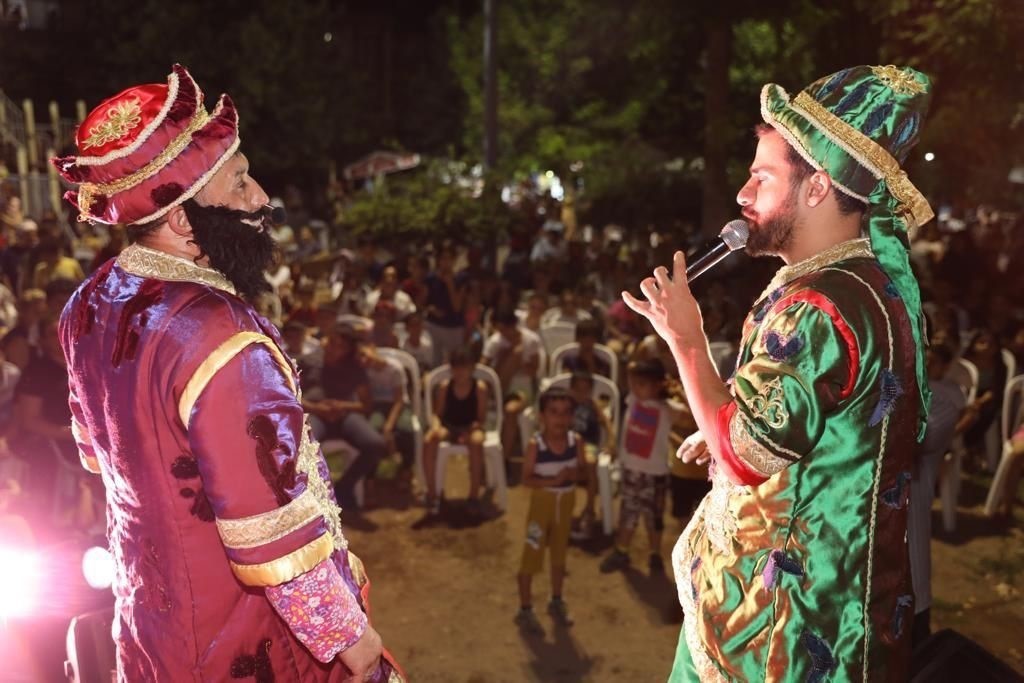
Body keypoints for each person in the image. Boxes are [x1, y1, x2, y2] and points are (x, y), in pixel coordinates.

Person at [53, 66, 399, 681]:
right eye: (239, 184)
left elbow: (98, 457)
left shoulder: (88, 305)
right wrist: (351, 639)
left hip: (148, 627)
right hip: (246, 641)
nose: (262, 197)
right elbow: (271, 528)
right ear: (183, 221)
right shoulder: (222, 340)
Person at [623, 66, 935, 680]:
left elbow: (745, 457)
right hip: (840, 611)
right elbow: (823, 427)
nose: (743, 194)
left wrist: (685, 340)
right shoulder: (872, 285)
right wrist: (724, 419)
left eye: (761, 176)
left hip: (777, 634)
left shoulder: (818, 305)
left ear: (817, 187)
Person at [515, 386, 584, 634]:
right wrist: (553, 481)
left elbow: (582, 471)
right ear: (542, 416)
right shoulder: (537, 445)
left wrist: (572, 475)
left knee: (559, 553)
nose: (560, 418)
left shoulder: (574, 441)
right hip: (541, 505)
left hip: (565, 504)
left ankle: (556, 599)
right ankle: (525, 608)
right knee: (532, 551)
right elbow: (526, 478)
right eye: (554, 412)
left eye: (566, 412)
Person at [599, 359, 678, 574]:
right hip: (631, 471)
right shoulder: (632, 399)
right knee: (628, 512)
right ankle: (621, 551)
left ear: (657, 385)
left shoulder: (668, 409)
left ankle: (655, 554)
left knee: (654, 517)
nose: (634, 387)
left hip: (655, 474)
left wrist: (672, 387)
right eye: (632, 382)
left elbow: (691, 412)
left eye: (641, 383)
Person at [300, 324, 388, 512]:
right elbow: (290, 394)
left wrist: (342, 406)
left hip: (345, 416)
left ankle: (345, 487)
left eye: (339, 346)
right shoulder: (308, 362)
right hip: (315, 414)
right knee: (304, 444)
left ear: (348, 350)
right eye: (331, 343)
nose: (332, 348)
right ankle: (314, 494)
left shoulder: (354, 368)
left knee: (376, 445)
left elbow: (366, 405)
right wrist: (317, 407)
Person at [421, 346, 488, 517]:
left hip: (470, 427)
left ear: (471, 368)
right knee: (429, 440)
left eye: (464, 367)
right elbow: (438, 414)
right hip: (449, 426)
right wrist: (435, 427)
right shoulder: (445, 387)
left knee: (477, 442)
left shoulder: (479, 388)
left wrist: (470, 430)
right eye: (456, 368)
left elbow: (481, 418)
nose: (460, 372)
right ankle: (432, 493)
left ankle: (473, 496)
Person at [482, 307, 543, 460]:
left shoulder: (531, 340)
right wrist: (503, 358)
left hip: (522, 389)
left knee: (510, 411)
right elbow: (483, 369)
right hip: (497, 384)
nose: (503, 333)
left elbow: (534, 371)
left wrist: (517, 361)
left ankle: (504, 459)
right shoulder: (495, 341)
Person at [566, 371, 614, 540]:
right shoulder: (566, 405)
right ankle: (563, 509)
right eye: (577, 390)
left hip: (588, 444)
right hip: (568, 443)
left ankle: (589, 508)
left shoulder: (592, 404)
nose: (581, 394)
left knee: (590, 462)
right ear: (571, 389)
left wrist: (611, 442)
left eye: (585, 390)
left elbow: (606, 423)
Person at [424, 244, 467, 366]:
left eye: (449, 258)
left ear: (454, 260)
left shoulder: (461, 278)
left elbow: (457, 307)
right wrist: (431, 309)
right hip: (434, 325)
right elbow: (422, 302)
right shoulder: (430, 278)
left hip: (454, 327)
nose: (446, 262)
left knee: (455, 361)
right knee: (434, 361)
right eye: (443, 258)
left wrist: (450, 285)